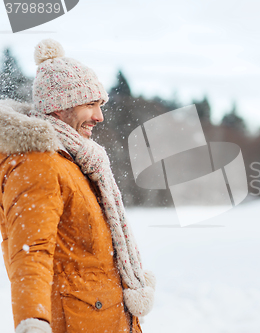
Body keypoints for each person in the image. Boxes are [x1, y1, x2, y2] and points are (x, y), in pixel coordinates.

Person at [0, 39, 155, 333]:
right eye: (90, 105)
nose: (99, 116)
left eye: (100, 105)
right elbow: (30, 251)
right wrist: (32, 322)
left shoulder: (77, 161)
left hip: (103, 319)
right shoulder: (39, 163)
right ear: (59, 107)